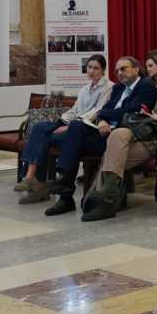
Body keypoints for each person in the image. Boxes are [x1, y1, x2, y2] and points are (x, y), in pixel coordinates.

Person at [82, 56, 157, 221]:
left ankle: (103, 200)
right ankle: (108, 197)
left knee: (111, 155)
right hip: (143, 132)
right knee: (117, 136)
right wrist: (148, 116)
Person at [45, 56, 157, 216]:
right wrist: (102, 119)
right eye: (117, 70)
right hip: (104, 132)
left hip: (122, 137)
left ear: (136, 69)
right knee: (74, 131)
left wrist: (105, 116)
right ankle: (65, 194)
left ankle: (65, 189)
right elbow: (103, 109)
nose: (119, 73)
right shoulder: (118, 88)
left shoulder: (146, 86)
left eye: (123, 69)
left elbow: (131, 111)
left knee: (72, 139)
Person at [15, 55, 113, 204]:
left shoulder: (109, 87)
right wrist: (60, 121)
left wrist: (68, 126)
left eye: (96, 68)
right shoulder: (85, 89)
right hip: (71, 123)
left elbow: (97, 113)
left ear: (103, 70)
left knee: (45, 138)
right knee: (39, 127)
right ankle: (30, 177)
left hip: (86, 129)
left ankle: (38, 186)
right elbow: (75, 110)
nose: (92, 71)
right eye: (89, 67)